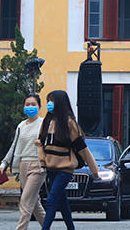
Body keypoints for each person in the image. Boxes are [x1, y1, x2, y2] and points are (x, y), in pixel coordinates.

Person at [37, 90, 99, 230]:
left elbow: (82, 148)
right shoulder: (47, 121)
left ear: (60, 103)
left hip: (65, 169)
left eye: (52, 101)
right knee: (62, 202)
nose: (49, 104)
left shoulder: (69, 123)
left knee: (51, 199)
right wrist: (42, 161)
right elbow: (41, 142)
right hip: (51, 168)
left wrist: (94, 170)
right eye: (48, 101)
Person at [0, 94, 46, 230]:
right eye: (27, 104)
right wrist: (3, 164)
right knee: (34, 203)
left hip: (38, 165)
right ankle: (47, 226)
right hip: (22, 165)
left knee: (25, 200)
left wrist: (42, 144)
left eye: (33, 104)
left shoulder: (44, 123)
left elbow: (50, 143)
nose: (30, 107)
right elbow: (14, 146)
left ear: (39, 107)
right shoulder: (21, 126)